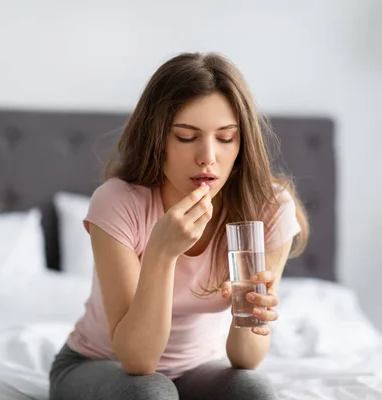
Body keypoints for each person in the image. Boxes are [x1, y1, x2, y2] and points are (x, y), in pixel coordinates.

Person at [49, 52, 309, 400]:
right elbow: (138, 360)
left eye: (225, 138)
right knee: (150, 392)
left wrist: (252, 313)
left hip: (197, 370)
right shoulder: (118, 202)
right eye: (187, 137)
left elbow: (246, 359)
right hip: (98, 366)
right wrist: (160, 253)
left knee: (254, 390)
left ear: (242, 143)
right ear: (158, 140)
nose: (208, 156)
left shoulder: (269, 209)